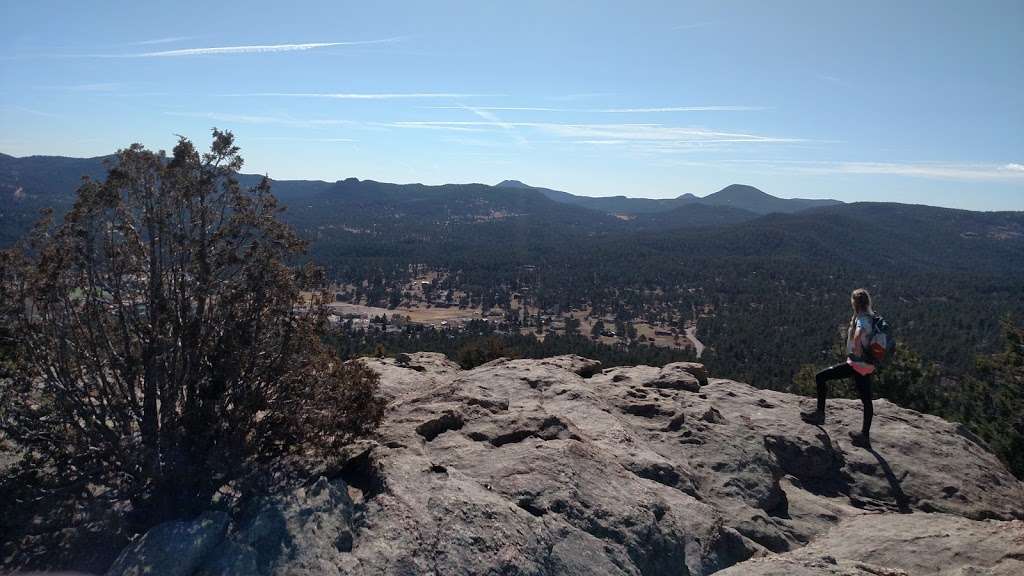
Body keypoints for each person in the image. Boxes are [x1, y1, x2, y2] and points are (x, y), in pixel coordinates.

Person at [800, 288, 876, 448]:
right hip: (867, 364)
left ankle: (820, 414)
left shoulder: (862, 318)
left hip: (856, 364)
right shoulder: (872, 317)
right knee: (867, 400)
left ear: (855, 303)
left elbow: (859, 332)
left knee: (820, 377)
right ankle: (865, 436)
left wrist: (855, 345)